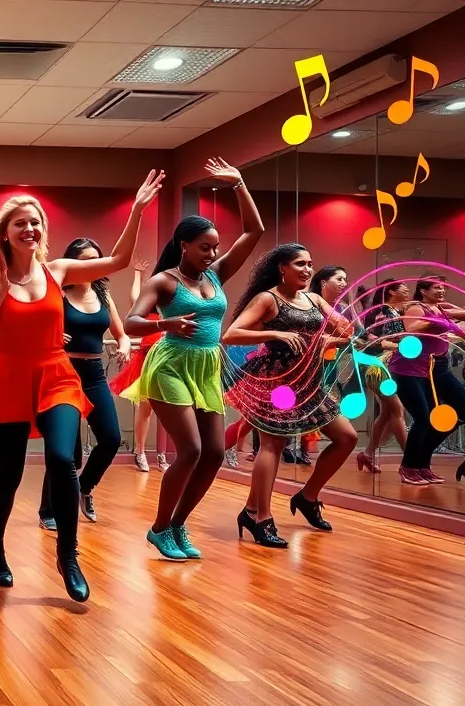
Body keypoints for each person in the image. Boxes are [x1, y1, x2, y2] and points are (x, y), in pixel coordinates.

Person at [0, 169, 164, 603]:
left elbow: (116, 261)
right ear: (5, 233)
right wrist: (0, 293)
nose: (30, 228)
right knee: (9, 475)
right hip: (11, 378)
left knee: (62, 457)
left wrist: (136, 211)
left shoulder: (58, 271)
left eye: (35, 221)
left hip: (57, 375)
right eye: (20, 222)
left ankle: (68, 556)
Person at [122, 158, 264, 561]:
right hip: (170, 364)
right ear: (184, 245)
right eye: (205, 247)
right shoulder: (164, 281)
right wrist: (164, 327)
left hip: (206, 366)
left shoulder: (215, 275)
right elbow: (132, 322)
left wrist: (239, 184)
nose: (212, 253)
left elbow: (254, 231)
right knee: (190, 450)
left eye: (215, 247)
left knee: (215, 453)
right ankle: (158, 527)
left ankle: (177, 525)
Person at [222, 244, 355, 548]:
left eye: (310, 264)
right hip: (276, 379)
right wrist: (275, 334)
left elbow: (348, 331)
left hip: (307, 380)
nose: (307, 270)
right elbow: (231, 334)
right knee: (273, 444)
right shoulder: (268, 298)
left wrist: (325, 338)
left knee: (346, 437)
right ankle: (260, 518)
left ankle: (307, 497)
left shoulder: (315, 299)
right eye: (299, 264)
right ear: (282, 268)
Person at [35, 237, 132, 529]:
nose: (91, 266)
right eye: (84, 260)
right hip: (63, 371)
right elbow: (37, 329)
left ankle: (84, 488)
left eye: (95, 259)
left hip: (93, 373)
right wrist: (50, 338)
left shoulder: (103, 296)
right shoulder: (57, 293)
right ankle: (47, 510)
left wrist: (124, 345)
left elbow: (121, 333)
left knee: (111, 439)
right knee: (66, 451)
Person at [388, 276, 465, 485]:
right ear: (422, 290)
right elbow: (410, 329)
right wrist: (439, 319)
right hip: (408, 368)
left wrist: (449, 316)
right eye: (436, 288)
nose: (441, 291)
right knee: (423, 418)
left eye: (443, 287)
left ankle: (422, 464)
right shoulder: (416, 308)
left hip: (434, 368)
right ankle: (409, 467)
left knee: (448, 416)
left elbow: (460, 327)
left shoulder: (443, 308)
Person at [110, 258, 173, 472]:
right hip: (149, 356)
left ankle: (162, 454)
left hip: (169, 359)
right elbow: (134, 301)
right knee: (146, 406)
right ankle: (140, 451)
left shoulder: (175, 305)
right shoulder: (151, 304)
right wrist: (137, 273)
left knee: (168, 407)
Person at [356, 279, 411, 473]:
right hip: (380, 367)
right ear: (391, 292)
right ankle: (410, 462)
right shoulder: (384, 313)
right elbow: (379, 341)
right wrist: (402, 346)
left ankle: (368, 453)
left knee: (388, 412)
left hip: (389, 365)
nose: (407, 289)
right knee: (397, 410)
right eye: (403, 287)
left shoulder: (395, 312)